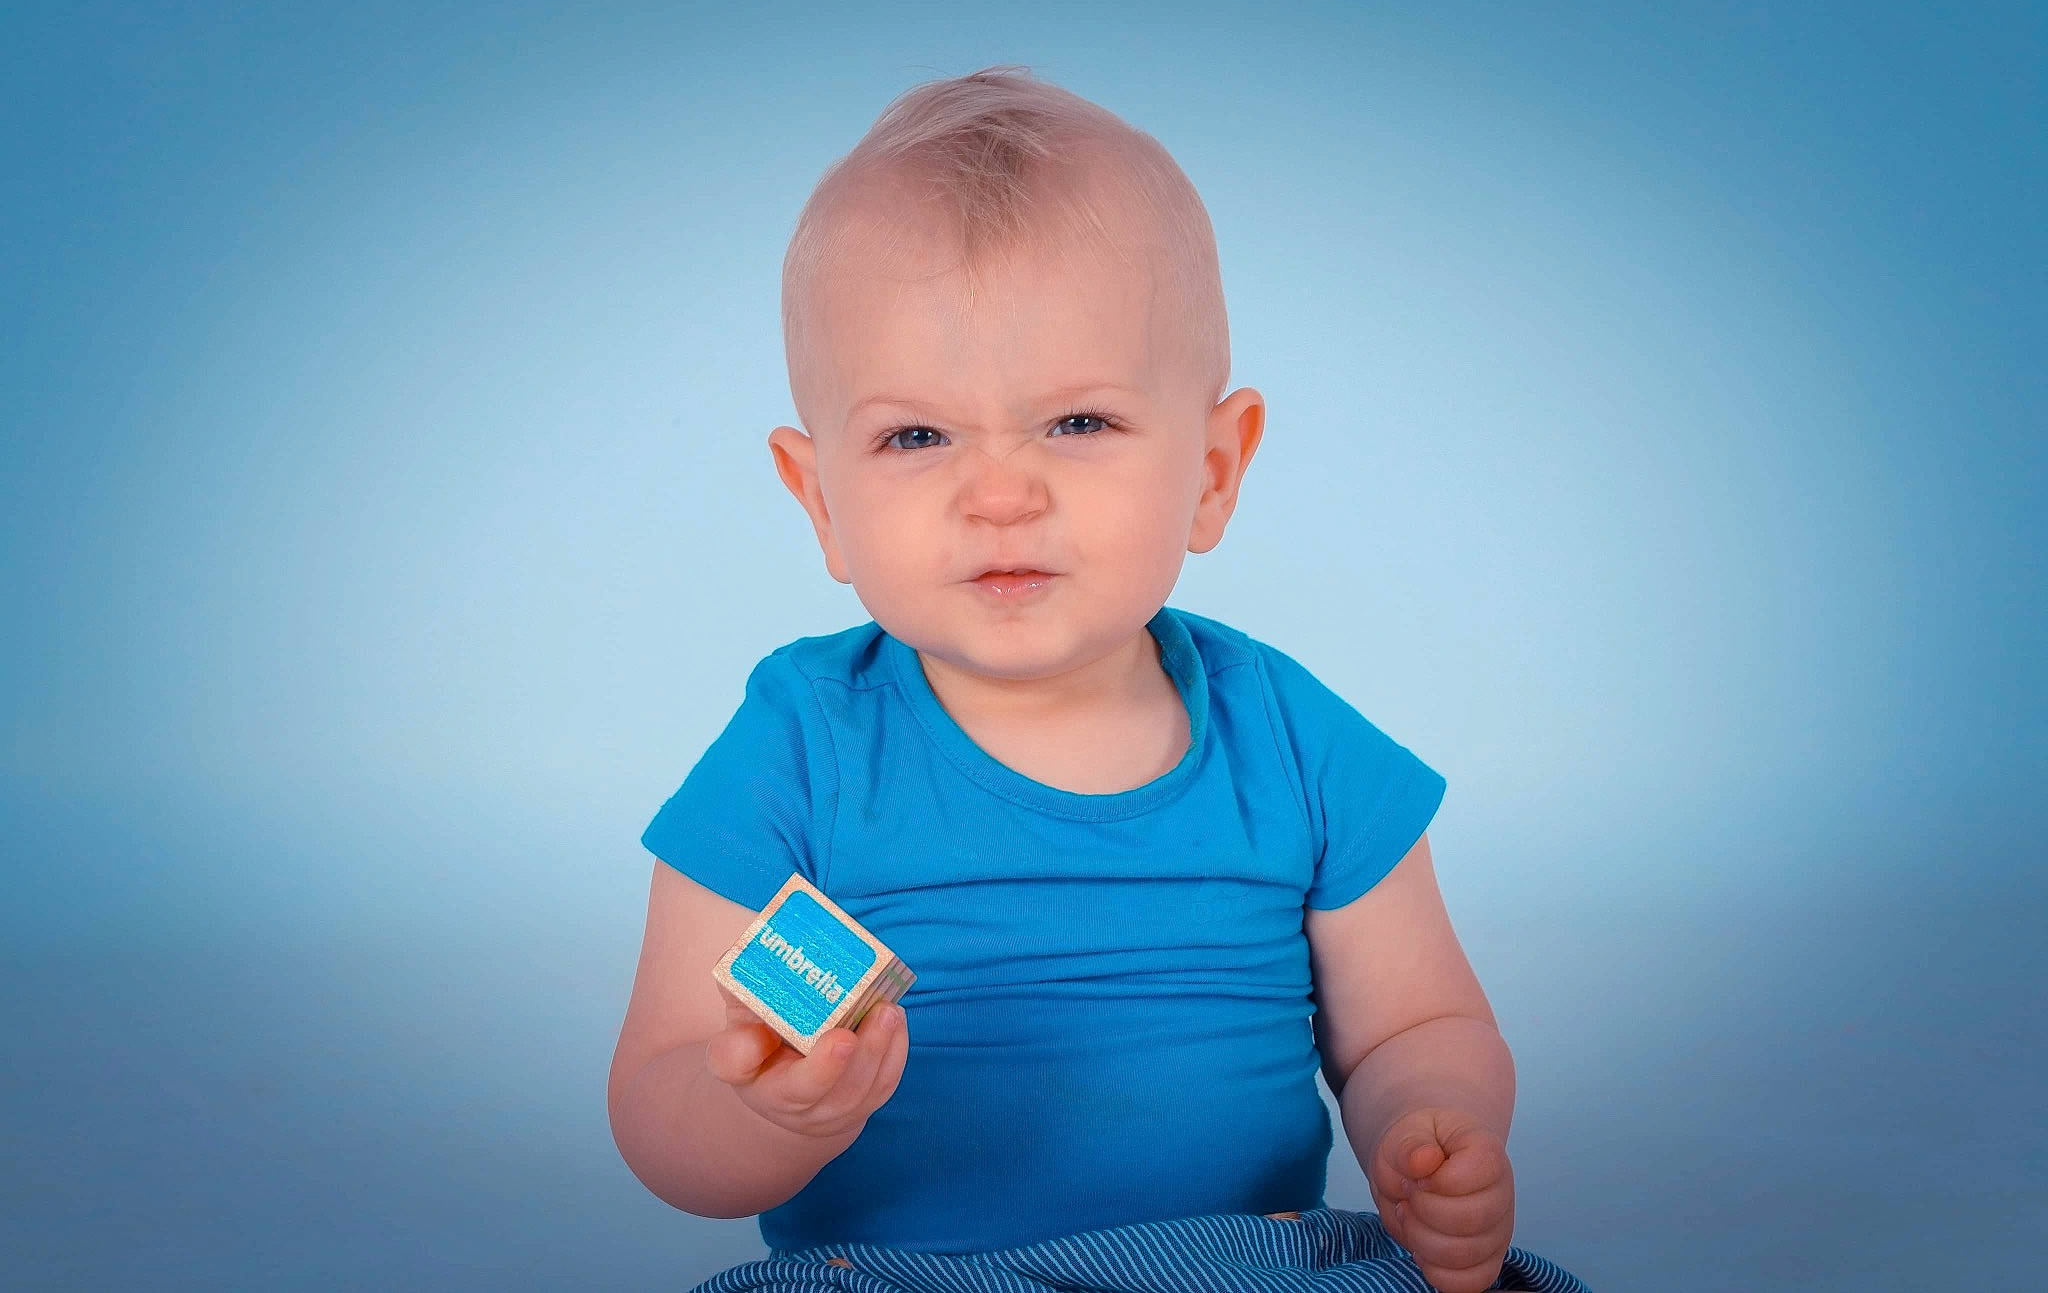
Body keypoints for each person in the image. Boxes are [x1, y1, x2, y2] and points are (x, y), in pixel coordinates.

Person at [608, 65, 1561, 1293]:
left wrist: (1430, 1130)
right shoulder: (800, 743)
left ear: (1214, 468)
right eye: (915, 436)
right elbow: (662, 1101)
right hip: (901, 1274)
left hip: (1242, 1268)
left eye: (1076, 425)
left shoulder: (1292, 739)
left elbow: (1416, 1027)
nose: (999, 492)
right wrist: (769, 1118)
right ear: (819, 504)